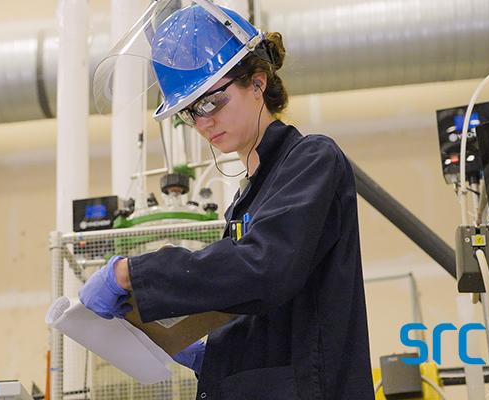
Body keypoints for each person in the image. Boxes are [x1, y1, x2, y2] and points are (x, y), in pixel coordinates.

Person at [81, 2, 374, 399]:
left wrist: (131, 273)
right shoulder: (248, 199)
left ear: (257, 83)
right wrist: (217, 353)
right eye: (189, 112)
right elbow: (257, 303)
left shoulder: (311, 160)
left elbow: (264, 268)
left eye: (211, 102)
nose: (203, 123)